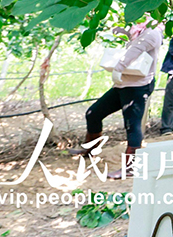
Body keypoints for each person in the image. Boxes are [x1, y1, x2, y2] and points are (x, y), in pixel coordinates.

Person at [70, 20, 164, 179]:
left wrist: (119, 68)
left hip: (137, 85)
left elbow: (135, 50)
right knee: (93, 113)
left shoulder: (152, 32)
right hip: (123, 83)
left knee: (132, 125)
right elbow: (133, 43)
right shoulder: (140, 29)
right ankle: (91, 148)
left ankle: (130, 167)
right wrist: (123, 32)